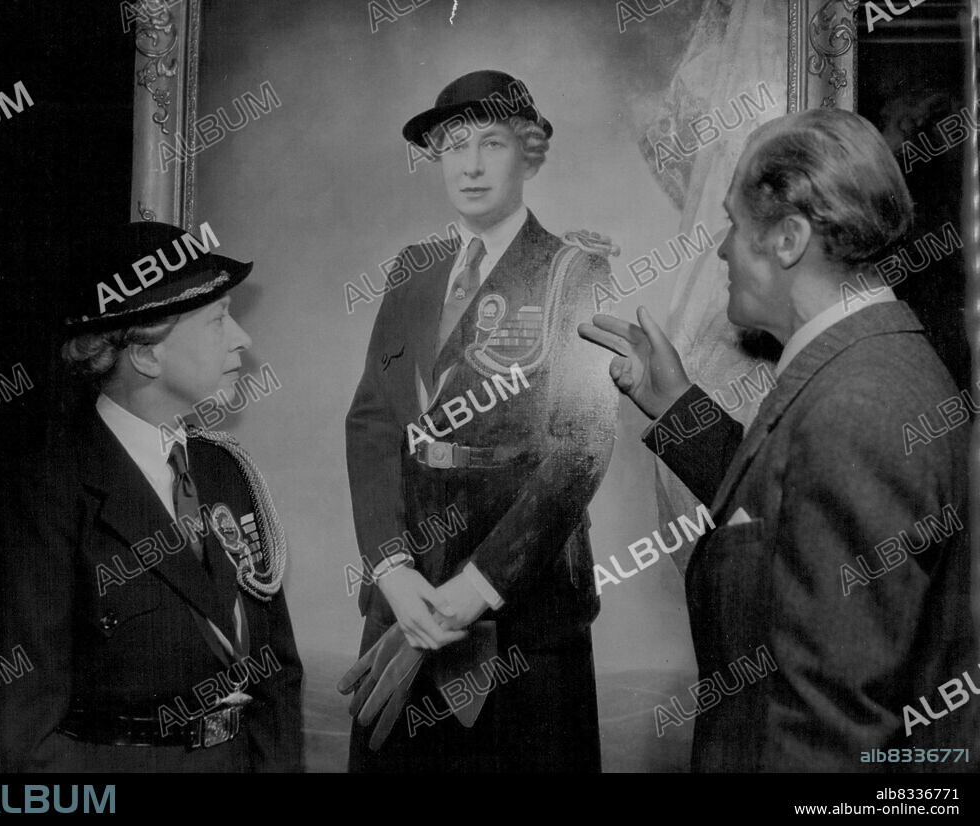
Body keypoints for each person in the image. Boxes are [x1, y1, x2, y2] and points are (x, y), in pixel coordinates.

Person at [580, 107, 977, 772]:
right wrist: (677, 407)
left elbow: (830, 737)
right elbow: (787, 517)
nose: (722, 248)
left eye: (735, 223)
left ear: (789, 238)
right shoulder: (864, 368)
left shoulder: (859, 407)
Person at [343, 70, 619, 772]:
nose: (468, 164)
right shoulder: (413, 272)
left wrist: (478, 587)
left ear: (528, 154)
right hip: (405, 597)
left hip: (521, 610)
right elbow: (374, 424)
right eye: (453, 144)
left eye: (491, 143)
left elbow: (582, 447)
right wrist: (392, 570)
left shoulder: (571, 271)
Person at [0, 221, 303, 772]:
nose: (243, 338)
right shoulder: (45, 491)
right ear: (146, 355)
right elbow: (13, 735)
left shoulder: (225, 472)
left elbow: (276, 675)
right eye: (218, 321)